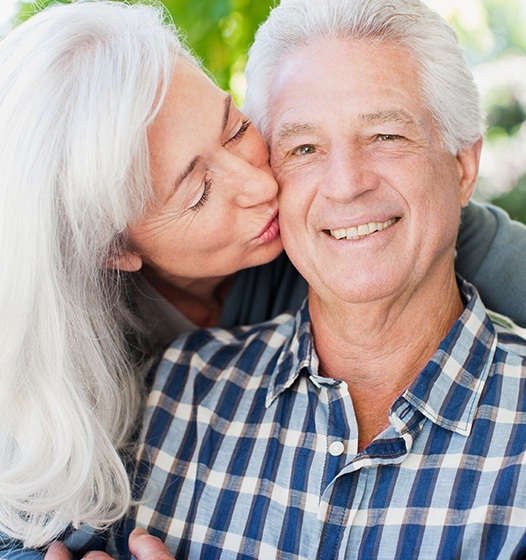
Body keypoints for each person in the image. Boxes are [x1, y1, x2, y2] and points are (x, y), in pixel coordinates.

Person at [1, 0, 526, 558]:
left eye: (235, 132)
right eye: (304, 148)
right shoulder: (151, 395)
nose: (260, 184)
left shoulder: (417, 240)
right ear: (116, 249)